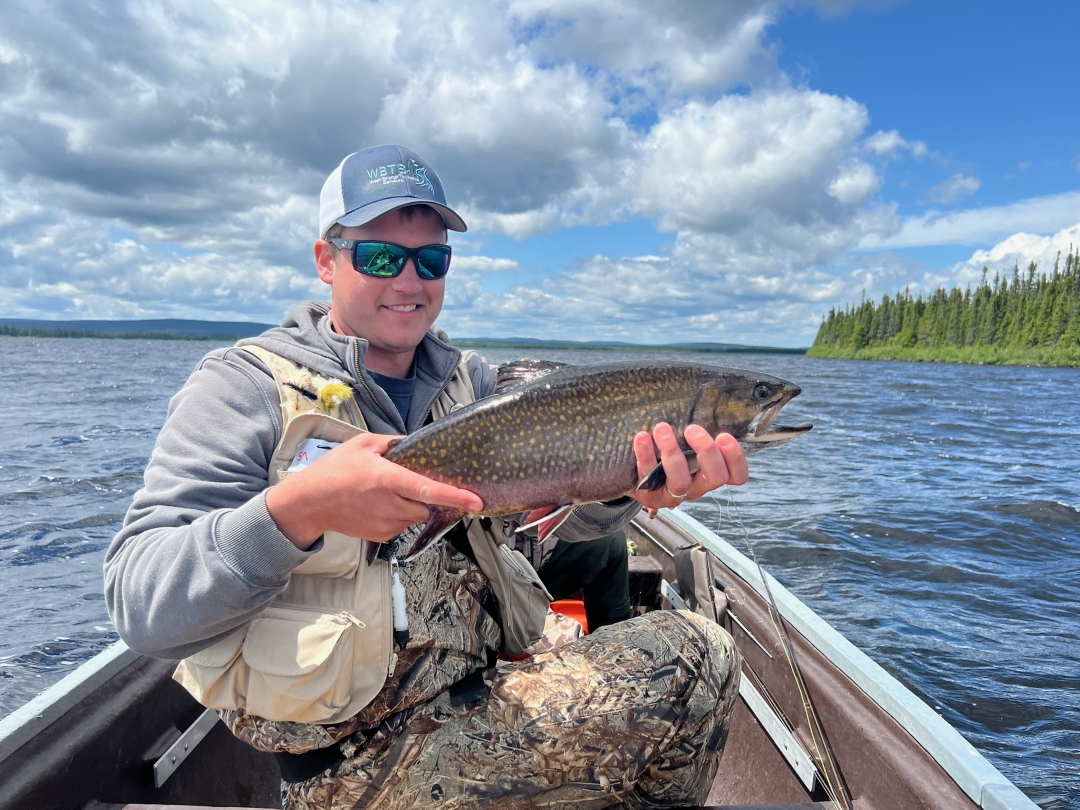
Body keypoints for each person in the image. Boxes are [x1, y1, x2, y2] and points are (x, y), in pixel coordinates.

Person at [104, 144, 749, 810]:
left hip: (476, 690)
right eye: (380, 256)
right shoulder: (243, 387)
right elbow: (139, 604)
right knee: (701, 656)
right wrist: (296, 513)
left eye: (431, 259)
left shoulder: (468, 384)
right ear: (327, 260)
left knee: (616, 623)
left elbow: (535, 530)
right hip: (352, 766)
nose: (409, 281)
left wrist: (620, 487)